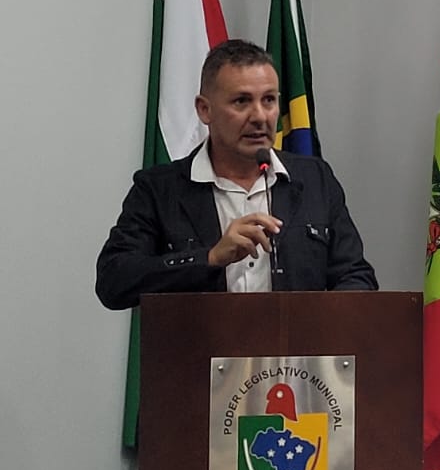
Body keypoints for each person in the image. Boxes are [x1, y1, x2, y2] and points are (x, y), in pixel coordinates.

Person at [96, 39, 377, 308]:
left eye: (269, 100)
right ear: (204, 110)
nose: (259, 116)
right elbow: (114, 281)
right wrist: (209, 258)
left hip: (295, 356)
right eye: (242, 101)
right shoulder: (159, 189)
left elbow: (356, 276)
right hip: (197, 355)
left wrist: (326, 322)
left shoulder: (315, 179)